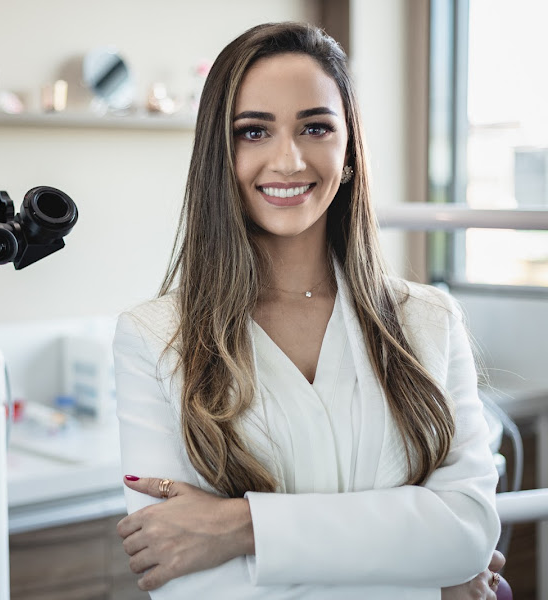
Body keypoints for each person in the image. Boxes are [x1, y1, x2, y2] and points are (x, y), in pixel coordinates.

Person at [112, 22, 505, 599]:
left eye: (315, 127)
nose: (288, 160)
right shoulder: (154, 339)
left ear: (348, 152)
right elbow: (192, 587)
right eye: (254, 132)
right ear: (219, 154)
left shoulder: (429, 322)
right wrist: (428, 586)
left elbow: (468, 531)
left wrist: (242, 527)